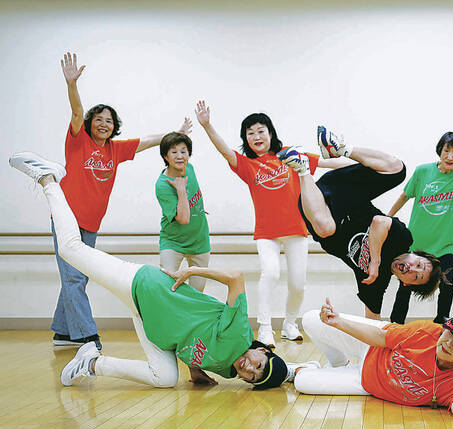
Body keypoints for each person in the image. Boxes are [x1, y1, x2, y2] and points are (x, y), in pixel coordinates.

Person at [9, 152, 290, 390]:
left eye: (251, 377)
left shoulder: (229, 370)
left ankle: (91, 361)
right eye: (258, 364)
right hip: (145, 287)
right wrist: (192, 273)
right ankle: (49, 179)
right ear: (262, 349)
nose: (248, 369)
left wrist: (195, 369)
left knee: (166, 378)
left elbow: (196, 340)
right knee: (70, 249)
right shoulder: (240, 334)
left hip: (153, 326)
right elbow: (236, 278)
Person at [53, 52, 191, 350]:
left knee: (77, 276)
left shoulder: (115, 150)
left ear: (114, 126)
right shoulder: (79, 141)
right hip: (66, 218)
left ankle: (62, 331)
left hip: (90, 222)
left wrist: (175, 134)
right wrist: (71, 85)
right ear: (90, 123)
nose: (104, 124)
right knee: (75, 278)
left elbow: (147, 141)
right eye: (99, 119)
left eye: (109, 121)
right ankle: (85, 336)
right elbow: (76, 113)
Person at [279, 126, 444, 319]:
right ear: (417, 254)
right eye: (419, 265)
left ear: (406, 283)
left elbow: (372, 322)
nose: (412, 269)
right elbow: (379, 222)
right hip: (343, 193)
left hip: (317, 210)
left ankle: (302, 167)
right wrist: (375, 262)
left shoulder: (375, 284)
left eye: (416, 276)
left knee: (326, 228)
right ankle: (341, 148)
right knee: (398, 170)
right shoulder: (403, 240)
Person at [195, 101, 317, 347]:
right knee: (270, 273)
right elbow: (225, 151)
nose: (256, 136)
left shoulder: (290, 156)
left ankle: (290, 325)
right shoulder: (248, 166)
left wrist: (360, 162)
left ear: (271, 133)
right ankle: (264, 328)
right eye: (250, 133)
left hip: (296, 230)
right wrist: (207, 125)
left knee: (298, 283)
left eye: (261, 131)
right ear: (246, 139)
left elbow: (326, 163)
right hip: (266, 233)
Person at [293, 299, 453, 419]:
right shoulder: (428, 332)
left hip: (366, 382)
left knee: (302, 381)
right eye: (450, 332)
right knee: (311, 318)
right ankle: (339, 364)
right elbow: (380, 337)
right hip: (373, 345)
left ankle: (322, 369)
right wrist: (338, 322)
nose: (448, 343)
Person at [388, 132, 453, 324]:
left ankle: (441, 324)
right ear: (440, 151)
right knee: (405, 286)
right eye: (447, 151)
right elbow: (404, 196)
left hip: (445, 245)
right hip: (417, 244)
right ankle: (395, 325)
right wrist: (388, 217)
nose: (451, 157)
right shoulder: (422, 171)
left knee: (447, 285)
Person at [155, 132, 210, 292]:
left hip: (199, 241)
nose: (180, 156)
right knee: (168, 289)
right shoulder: (163, 185)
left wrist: (198, 209)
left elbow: (192, 199)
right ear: (165, 156)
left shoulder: (189, 168)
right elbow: (184, 219)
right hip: (173, 242)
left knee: (197, 293)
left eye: (183, 151)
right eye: (174, 152)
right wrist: (181, 190)